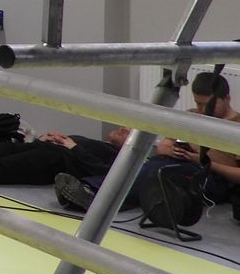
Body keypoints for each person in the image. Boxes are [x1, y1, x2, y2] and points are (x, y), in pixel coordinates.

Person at [56, 70, 240, 214]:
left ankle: (97, 196)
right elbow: (163, 146)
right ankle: (92, 190)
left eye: (209, 105)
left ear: (227, 99)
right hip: (180, 162)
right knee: (146, 165)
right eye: (199, 103)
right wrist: (170, 150)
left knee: (157, 171)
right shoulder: (192, 116)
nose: (203, 109)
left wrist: (202, 161)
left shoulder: (236, 126)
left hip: (214, 178)